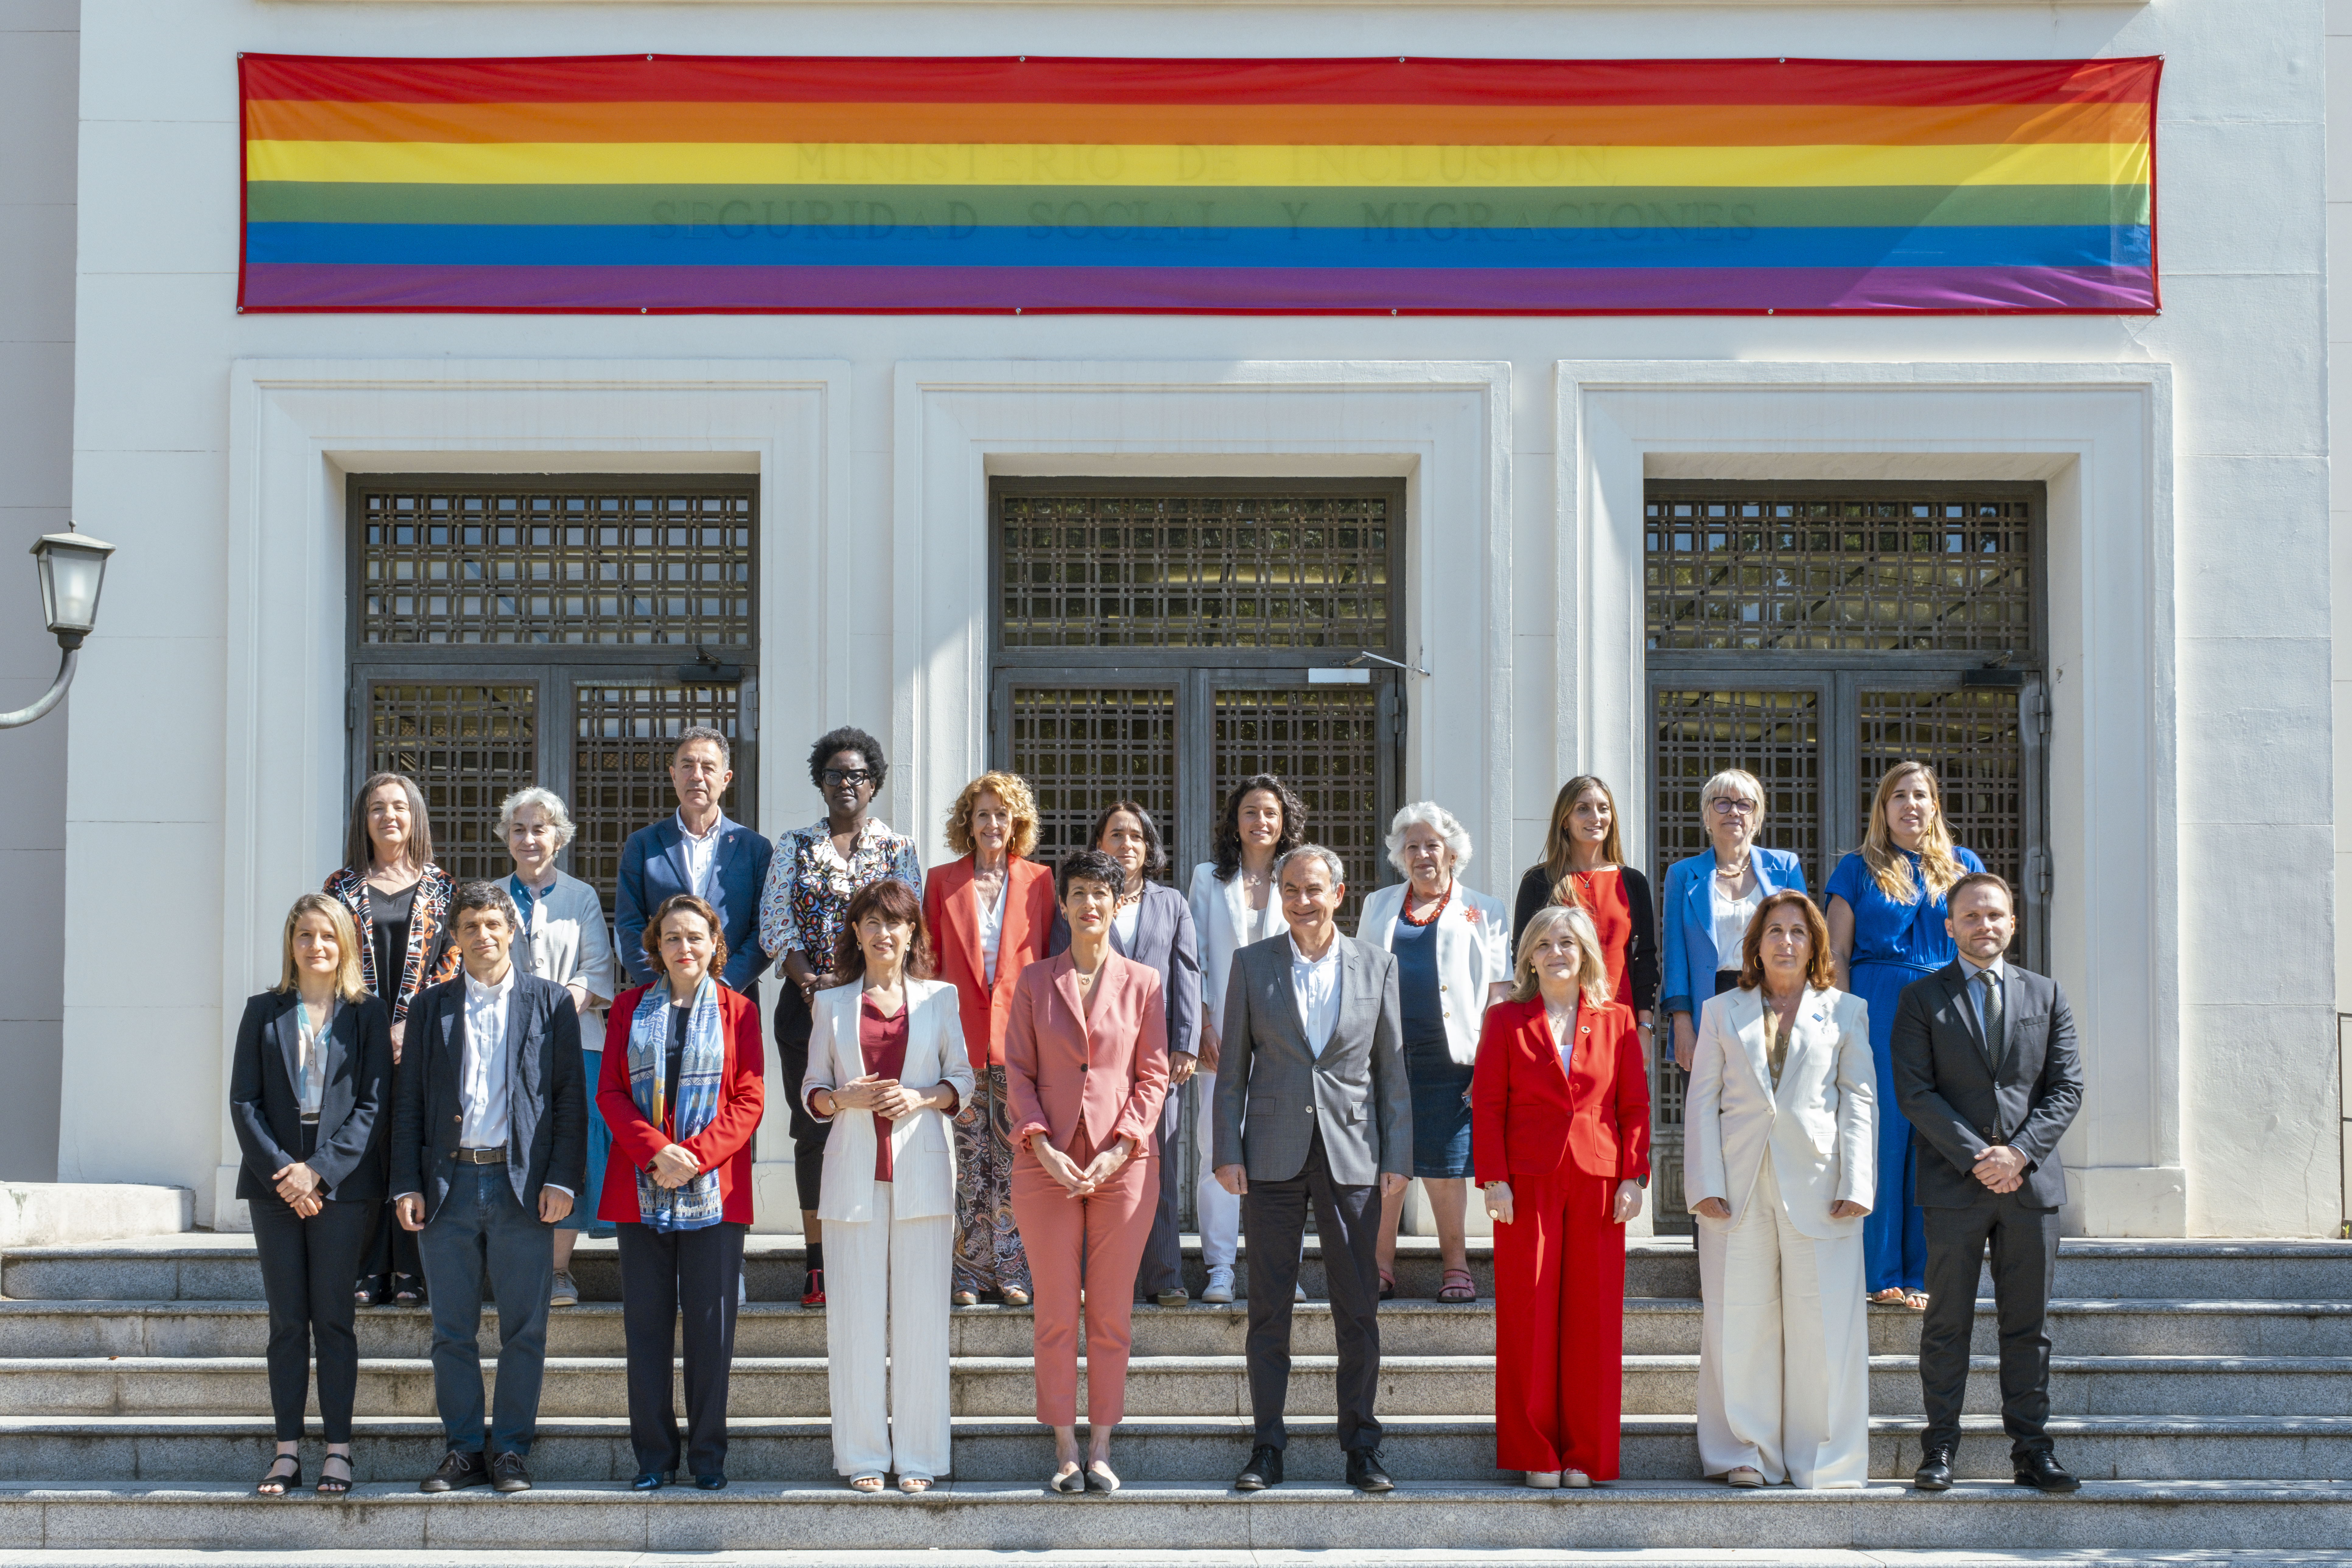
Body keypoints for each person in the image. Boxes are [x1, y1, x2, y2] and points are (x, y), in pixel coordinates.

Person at [1213, 844, 1410, 1495]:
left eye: (1314, 888)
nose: (1302, 900)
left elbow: (1393, 1073)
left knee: (1358, 1308)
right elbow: (1232, 1074)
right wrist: (1227, 1150)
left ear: (1340, 892)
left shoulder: (1377, 965)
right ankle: (1267, 1443)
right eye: (1291, 889)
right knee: (1270, 1306)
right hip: (1270, 1155)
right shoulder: (1251, 964)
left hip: (1353, 1154)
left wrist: (1397, 1158)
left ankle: (1362, 1445)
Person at [390, 882, 587, 1495]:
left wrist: (561, 1179)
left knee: (524, 1329)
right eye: (470, 925)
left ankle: (511, 1451)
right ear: (455, 936)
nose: (483, 935)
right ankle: (464, 1448)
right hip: (447, 1185)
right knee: (452, 1328)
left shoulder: (550, 1003)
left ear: (511, 931)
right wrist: (405, 1183)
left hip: (521, 1184)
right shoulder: (431, 1008)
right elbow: (410, 1104)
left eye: (493, 924)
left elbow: (568, 1101)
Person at [1891, 872, 2083, 1495]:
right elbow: (1915, 1091)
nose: (1985, 924)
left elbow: (2066, 1089)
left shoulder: (2048, 995)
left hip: (2030, 1188)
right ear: (1950, 926)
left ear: (2013, 922)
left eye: (1996, 914)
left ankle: (2033, 1450)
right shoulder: (1921, 999)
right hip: (1954, 1185)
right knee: (1947, 1322)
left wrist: (2019, 1153)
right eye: (1971, 915)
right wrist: (1980, 1156)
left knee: (2028, 1327)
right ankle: (1939, 1448)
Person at [1685, 891, 1874, 1490]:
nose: (1786, 941)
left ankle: (1823, 1457)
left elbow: (1862, 1100)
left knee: (1826, 1325)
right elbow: (1702, 1102)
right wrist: (1704, 1183)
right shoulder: (1721, 1010)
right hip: (1736, 1187)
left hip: (1823, 1184)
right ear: (1756, 944)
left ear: (1815, 942)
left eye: (1798, 930)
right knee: (1739, 1317)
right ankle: (1745, 1450)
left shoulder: (1846, 1010)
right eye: (1774, 930)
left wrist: (1859, 1180)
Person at [801, 877, 972, 1494]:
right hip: (852, 1177)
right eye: (870, 922)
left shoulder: (940, 998)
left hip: (923, 1173)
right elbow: (811, 1089)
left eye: (894, 923)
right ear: (855, 933)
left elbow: (963, 1081)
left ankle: (921, 1458)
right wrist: (838, 1098)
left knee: (924, 1320)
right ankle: (863, 1454)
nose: (882, 933)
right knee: (854, 1321)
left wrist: (923, 1096)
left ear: (911, 934)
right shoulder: (831, 1003)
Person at [1009, 849, 1172, 1493]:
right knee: (1054, 1308)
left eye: (1100, 894)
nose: (1089, 905)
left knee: (1109, 1311)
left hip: (1124, 1163)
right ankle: (1064, 1446)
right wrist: (1041, 1142)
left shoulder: (1144, 981)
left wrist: (1123, 1144)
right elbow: (1017, 1072)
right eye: (1078, 893)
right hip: (1043, 1160)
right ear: (1066, 904)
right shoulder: (1033, 980)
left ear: (1115, 903)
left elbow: (1153, 1074)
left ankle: (1102, 1444)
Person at [1472, 905, 1648, 1489]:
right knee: (1529, 1313)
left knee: (1593, 1319)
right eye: (1544, 943)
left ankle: (1585, 1455)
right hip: (1526, 1180)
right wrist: (1492, 1177)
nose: (1555, 952)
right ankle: (1536, 1451)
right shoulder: (1504, 1020)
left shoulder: (1618, 1020)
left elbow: (1634, 1108)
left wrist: (1632, 1176)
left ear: (1585, 954)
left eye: (1567, 943)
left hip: (1599, 1180)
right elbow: (1489, 1102)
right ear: (1527, 955)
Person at [598, 894, 766, 1491]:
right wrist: (655, 1151)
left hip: (715, 1190)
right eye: (672, 937)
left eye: (695, 936)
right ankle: (652, 1457)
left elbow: (750, 1097)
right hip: (639, 1189)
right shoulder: (626, 1009)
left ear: (713, 943)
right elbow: (612, 1092)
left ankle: (708, 1457)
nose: (684, 946)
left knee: (710, 1329)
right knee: (645, 1326)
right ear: (656, 946)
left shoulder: (740, 1011)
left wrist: (693, 1156)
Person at [230, 893, 394, 1497]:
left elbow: (375, 1105)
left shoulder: (367, 1013)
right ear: (291, 943)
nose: (316, 945)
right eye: (305, 934)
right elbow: (243, 1101)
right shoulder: (262, 1010)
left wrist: (319, 1172)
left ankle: (340, 1450)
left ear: (344, 944)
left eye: (328, 935)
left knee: (334, 1318)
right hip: (274, 1182)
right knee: (286, 1323)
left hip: (342, 1187)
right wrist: (285, 1171)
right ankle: (286, 1450)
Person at [761, 726, 924, 1307]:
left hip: (879, 1006)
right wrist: (812, 984)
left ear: (873, 783)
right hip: (806, 1010)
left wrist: (855, 986)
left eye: (856, 774)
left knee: (877, 1121)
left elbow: (907, 923)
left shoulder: (898, 848)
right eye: (834, 774)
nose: (845, 783)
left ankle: (877, 1254)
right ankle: (819, 1264)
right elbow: (776, 922)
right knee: (815, 1126)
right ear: (820, 783)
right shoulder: (794, 845)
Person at [1825, 761, 1987, 1310]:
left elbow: (1981, 941)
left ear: (1934, 805)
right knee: (1882, 1136)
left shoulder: (1964, 866)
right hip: (1876, 1006)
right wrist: (1842, 1022)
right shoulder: (1854, 868)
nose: (1910, 804)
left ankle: (1924, 1271)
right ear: (1882, 807)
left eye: (1920, 794)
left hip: (1946, 1009)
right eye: (1898, 795)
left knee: (1935, 1139)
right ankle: (1880, 1272)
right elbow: (1835, 954)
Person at [1356, 802, 1509, 1303]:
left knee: (1445, 1169)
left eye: (1432, 844)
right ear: (1400, 854)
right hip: (1389, 1057)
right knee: (1388, 1168)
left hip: (1452, 1060)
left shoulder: (1482, 909)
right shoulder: (1378, 905)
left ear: (1451, 852)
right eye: (1412, 845)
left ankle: (1456, 1267)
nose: (1422, 854)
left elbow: (1498, 993)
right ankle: (1378, 1267)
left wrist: (1488, 1064)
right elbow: (1358, 981)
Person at [1049, 802, 1199, 1308]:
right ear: (1099, 843)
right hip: (1093, 1057)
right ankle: (1099, 1275)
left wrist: (1185, 1041)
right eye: (1116, 834)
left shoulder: (1171, 903)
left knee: (1155, 1160)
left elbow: (1186, 972)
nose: (1127, 844)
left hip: (1157, 1056)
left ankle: (1164, 1275)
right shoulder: (1079, 903)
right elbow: (1059, 973)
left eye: (1137, 835)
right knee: (1090, 1156)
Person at [324, 771, 460, 1309]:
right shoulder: (342, 886)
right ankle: (368, 1268)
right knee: (364, 1151)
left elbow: (450, 961)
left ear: (415, 816)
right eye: (377, 807)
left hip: (419, 1040)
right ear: (364, 818)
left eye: (399, 807)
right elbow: (331, 954)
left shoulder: (441, 887)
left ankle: (410, 1268)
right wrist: (372, 1021)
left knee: (409, 1147)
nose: (389, 816)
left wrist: (408, 1022)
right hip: (356, 1037)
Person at [923, 771, 1056, 1307]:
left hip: (1020, 1039)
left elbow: (1047, 958)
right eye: (982, 814)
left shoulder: (1041, 881)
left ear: (1017, 821)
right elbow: (927, 962)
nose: (992, 824)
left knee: (1013, 1161)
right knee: (965, 1160)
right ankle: (966, 1273)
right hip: (958, 1036)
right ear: (967, 822)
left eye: (1002, 814)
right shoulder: (941, 881)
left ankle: (1011, 1268)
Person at [499, 786, 620, 1309]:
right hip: (504, 1045)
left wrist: (551, 1008)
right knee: (516, 1147)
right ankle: (514, 1265)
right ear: (507, 837)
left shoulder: (581, 896)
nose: (529, 838)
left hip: (577, 1042)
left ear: (559, 837)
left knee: (571, 1150)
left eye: (540, 828)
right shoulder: (492, 897)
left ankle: (558, 1270)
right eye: (519, 828)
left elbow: (597, 970)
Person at [1185, 774, 1305, 1304]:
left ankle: (1282, 1270)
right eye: (1251, 811)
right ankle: (1219, 1268)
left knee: (1285, 1153)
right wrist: (1204, 1021)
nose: (1261, 821)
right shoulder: (1208, 879)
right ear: (1235, 821)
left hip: (1285, 1034)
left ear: (1285, 823)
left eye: (1271, 813)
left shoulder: (1299, 878)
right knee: (1218, 1145)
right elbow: (1193, 959)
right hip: (1222, 1029)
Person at [1660, 769, 1808, 1072]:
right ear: (1707, 815)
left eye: (1745, 804)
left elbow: (1803, 944)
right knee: (1708, 1112)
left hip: (1771, 1000)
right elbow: (1675, 957)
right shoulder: (1682, 875)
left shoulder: (1785, 866)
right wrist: (1683, 1024)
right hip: (1708, 1004)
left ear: (1757, 818)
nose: (1734, 812)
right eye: (1722, 803)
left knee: (1768, 1110)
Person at [615, 726, 773, 996]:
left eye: (708, 767)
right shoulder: (643, 845)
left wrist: (724, 985)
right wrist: (662, 985)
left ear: (726, 779)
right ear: (674, 775)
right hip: (659, 998)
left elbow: (765, 928)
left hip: (731, 1000)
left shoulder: (754, 848)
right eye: (687, 766)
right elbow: (629, 927)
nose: (697, 776)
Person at [1511, 776, 1659, 1042]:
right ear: (1564, 821)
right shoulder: (1538, 882)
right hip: (1555, 1026)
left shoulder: (1633, 882)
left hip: (1620, 1025)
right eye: (1583, 809)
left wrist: (1645, 1028)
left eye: (1604, 808)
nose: (1596, 817)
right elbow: (1522, 957)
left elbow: (1645, 959)